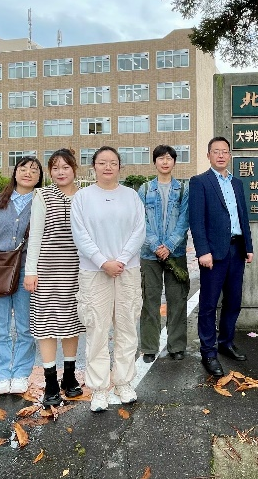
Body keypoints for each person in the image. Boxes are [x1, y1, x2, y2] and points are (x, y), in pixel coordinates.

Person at [70, 146, 146, 412]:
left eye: (113, 162)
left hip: (127, 270)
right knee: (97, 329)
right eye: (102, 162)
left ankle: (124, 382)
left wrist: (121, 260)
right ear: (94, 167)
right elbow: (80, 234)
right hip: (94, 272)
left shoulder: (131, 196)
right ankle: (99, 388)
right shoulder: (82, 197)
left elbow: (139, 231)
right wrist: (103, 261)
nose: (107, 167)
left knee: (127, 326)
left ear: (119, 167)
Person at [188, 136, 253, 378]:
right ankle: (208, 352)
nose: (221, 155)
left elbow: (243, 216)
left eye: (225, 151)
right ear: (209, 155)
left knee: (233, 301)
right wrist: (203, 251)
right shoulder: (200, 182)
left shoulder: (237, 183)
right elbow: (196, 220)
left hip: (237, 250)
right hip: (213, 254)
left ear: (229, 155)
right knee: (208, 304)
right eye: (216, 151)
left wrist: (248, 246)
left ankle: (226, 342)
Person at [24, 149, 85, 406]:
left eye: (65, 167)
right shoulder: (42, 195)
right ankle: (50, 381)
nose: (60, 172)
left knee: (72, 323)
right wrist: (30, 271)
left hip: (76, 270)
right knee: (46, 324)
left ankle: (69, 376)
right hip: (46, 270)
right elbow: (35, 235)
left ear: (74, 169)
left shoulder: (84, 196)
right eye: (55, 168)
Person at [0, 156, 41, 396]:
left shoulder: (40, 202)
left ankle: (21, 374)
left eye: (34, 170)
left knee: (26, 327)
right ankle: (2, 375)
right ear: (15, 173)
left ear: (39, 178)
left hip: (28, 270)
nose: (28, 173)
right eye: (23, 168)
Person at [137, 145, 191, 363]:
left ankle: (176, 346)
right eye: (161, 158)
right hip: (149, 254)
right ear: (155, 162)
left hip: (175, 252)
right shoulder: (144, 189)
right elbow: (140, 220)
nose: (165, 162)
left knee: (177, 300)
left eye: (169, 158)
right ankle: (149, 347)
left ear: (174, 162)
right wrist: (156, 246)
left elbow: (184, 220)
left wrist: (168, 245)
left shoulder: (183, 189)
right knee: (150, 300)